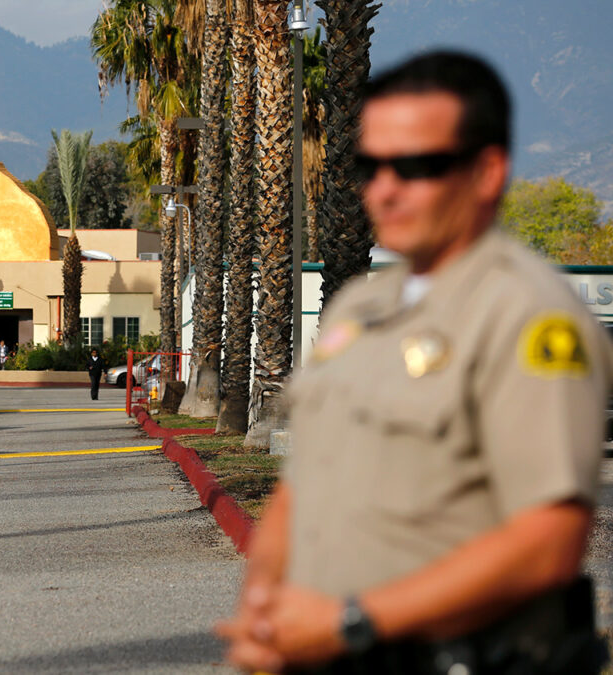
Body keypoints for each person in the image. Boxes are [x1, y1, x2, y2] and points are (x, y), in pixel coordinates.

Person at [217, 51, 612, 675]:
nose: (385, 187)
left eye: (417, 165)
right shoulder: (359, 308)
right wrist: (264, 610)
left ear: (487, 172)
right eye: (369, 165)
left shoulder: (530, 318)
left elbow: (549, 542)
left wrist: (350, 623)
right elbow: (308, 483)